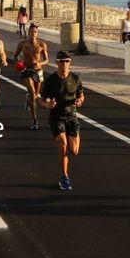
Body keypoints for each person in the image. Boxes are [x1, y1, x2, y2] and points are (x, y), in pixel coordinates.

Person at [38, 50, 85, 191]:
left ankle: (67, 150)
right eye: (62, 61)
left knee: (74, 151)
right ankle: (65, 177)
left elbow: (81, 95)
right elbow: (41, 100)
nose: (64, 64)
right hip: (56, 117)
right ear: (56, 63)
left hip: (72, 116)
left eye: (67, 61)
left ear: (70, 62)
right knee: (63, 146)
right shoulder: (51, 80)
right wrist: (47, 105)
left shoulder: (75, 78)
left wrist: (79, 101)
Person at [16, 24, 49, 130]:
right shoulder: (22, 44)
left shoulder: (42, 44)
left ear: (37, 33)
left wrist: (40, 63)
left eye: (35, 32)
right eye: (31, 32)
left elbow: (46, 60)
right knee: (32, 92)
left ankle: (28, 100)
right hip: (27, 71)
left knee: (35, 96)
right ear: (28, 32)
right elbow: (15, 56)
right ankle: (35, 121)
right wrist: (20, 63)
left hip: (38, 71)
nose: (33, 33)